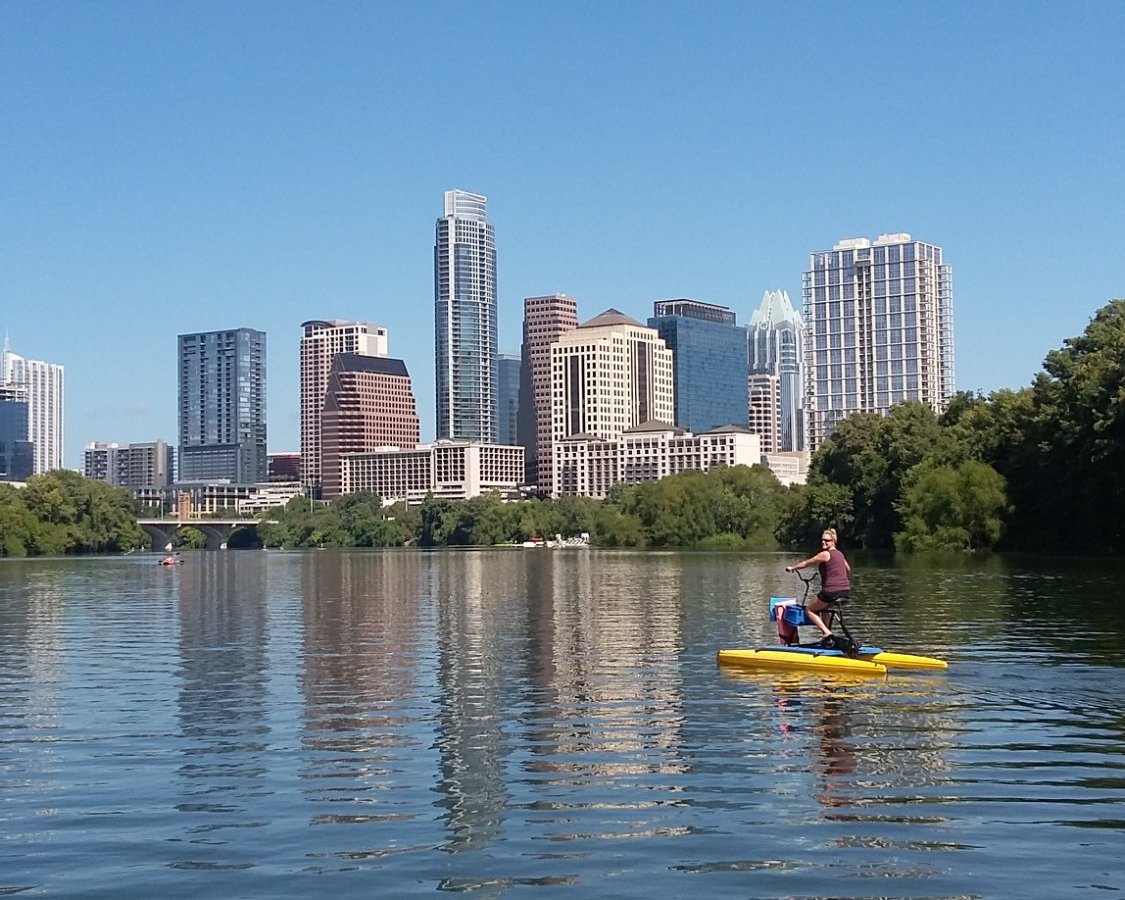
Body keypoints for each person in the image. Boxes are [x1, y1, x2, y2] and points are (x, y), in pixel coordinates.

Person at [785, 527, 851, 643]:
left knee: (809, 610)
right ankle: (827, 638)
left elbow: (807, 563)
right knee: (824, 608)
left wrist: (793, 568)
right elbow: (848, 569)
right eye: (822, 540)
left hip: (831, 591)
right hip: (845, 590)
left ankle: (826, 633)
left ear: (833, 541)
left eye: (827, 540)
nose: (823, 542)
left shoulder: (825, 554)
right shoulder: (840, 554)